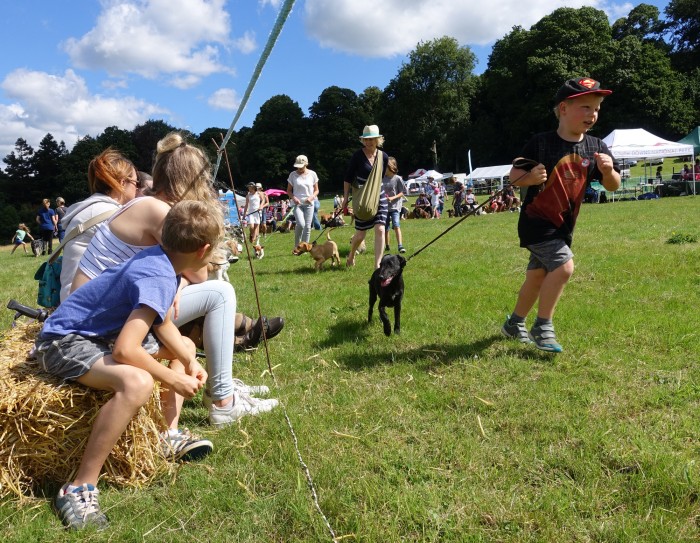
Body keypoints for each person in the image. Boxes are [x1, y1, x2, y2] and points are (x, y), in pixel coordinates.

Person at [71, 132, 279, 427]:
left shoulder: (146, 203)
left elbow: (177, 273)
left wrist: (178, 282)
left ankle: (222, 387)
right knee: (219, 293)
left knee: (204, 300)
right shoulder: (159, 211)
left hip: (103, 309)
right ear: (192, 179)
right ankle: (223, 400)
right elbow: (199, 272)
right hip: (98, 321)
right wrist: (181, 280)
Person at [36, 200, 219, 530]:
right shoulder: (158, 274)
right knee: (138, 383)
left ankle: (167, 434)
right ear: (203, 250)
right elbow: (125, 351)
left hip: (101, 334)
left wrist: (190, 360)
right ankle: (78, 487)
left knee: (186, 346)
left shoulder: (161, 260)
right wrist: (173, 380)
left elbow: (161, 323)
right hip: (65, 340)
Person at [501, 77, 620, 353]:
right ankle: (542, 327)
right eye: (586, 107)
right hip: (536, 222)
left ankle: (513, 324)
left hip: (564, 226)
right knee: (564, 267)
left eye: (597, 109)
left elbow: (612, 185)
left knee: (537, 276)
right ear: (563, 109)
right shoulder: (540, 143)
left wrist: (607, 171)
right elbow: (514, 177)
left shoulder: (597, 147)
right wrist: (530, 178)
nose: (593, 114)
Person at [60, 149, 140, 303]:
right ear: (123, 183)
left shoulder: (85, 209)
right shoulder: (113, 214)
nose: (137, 189)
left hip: (69, 300)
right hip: (90, 307)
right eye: (136, 183)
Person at [342, 125, 389, 269]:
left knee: (380, 229)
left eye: (372, 139)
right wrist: (345, 199)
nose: (368, 143)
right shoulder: (357, 156)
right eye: (366, 140)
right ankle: (351, 255)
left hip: (379, 195)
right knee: (361, 235)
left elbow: (379, 178)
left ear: (378, 140)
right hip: (363, 197)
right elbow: (348, 178)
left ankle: (377, 265)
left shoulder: (383, 156)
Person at [287, 154, 319, 249]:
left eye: (301, 167)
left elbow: (317, 190)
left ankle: (305, 247)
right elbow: (288, 191)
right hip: (298, 204)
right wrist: (294, 198)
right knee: (301, 224)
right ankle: (297, 246)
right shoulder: (292, 175)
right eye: (298, 167)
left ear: (306, 164)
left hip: (309, 204)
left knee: (308, 227)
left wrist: (312, 197)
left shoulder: (313, 174)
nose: (299, 168)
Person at [382, 156, 406, 253]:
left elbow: (402, 192)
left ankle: (400, 245)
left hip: (395, 207)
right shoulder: (382, 178)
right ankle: (387, 246)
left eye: (385, 166)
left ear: (391, 167)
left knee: (396, 225)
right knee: (385, 228)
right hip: (384, 207)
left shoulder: (398, 179)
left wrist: (392, 198)